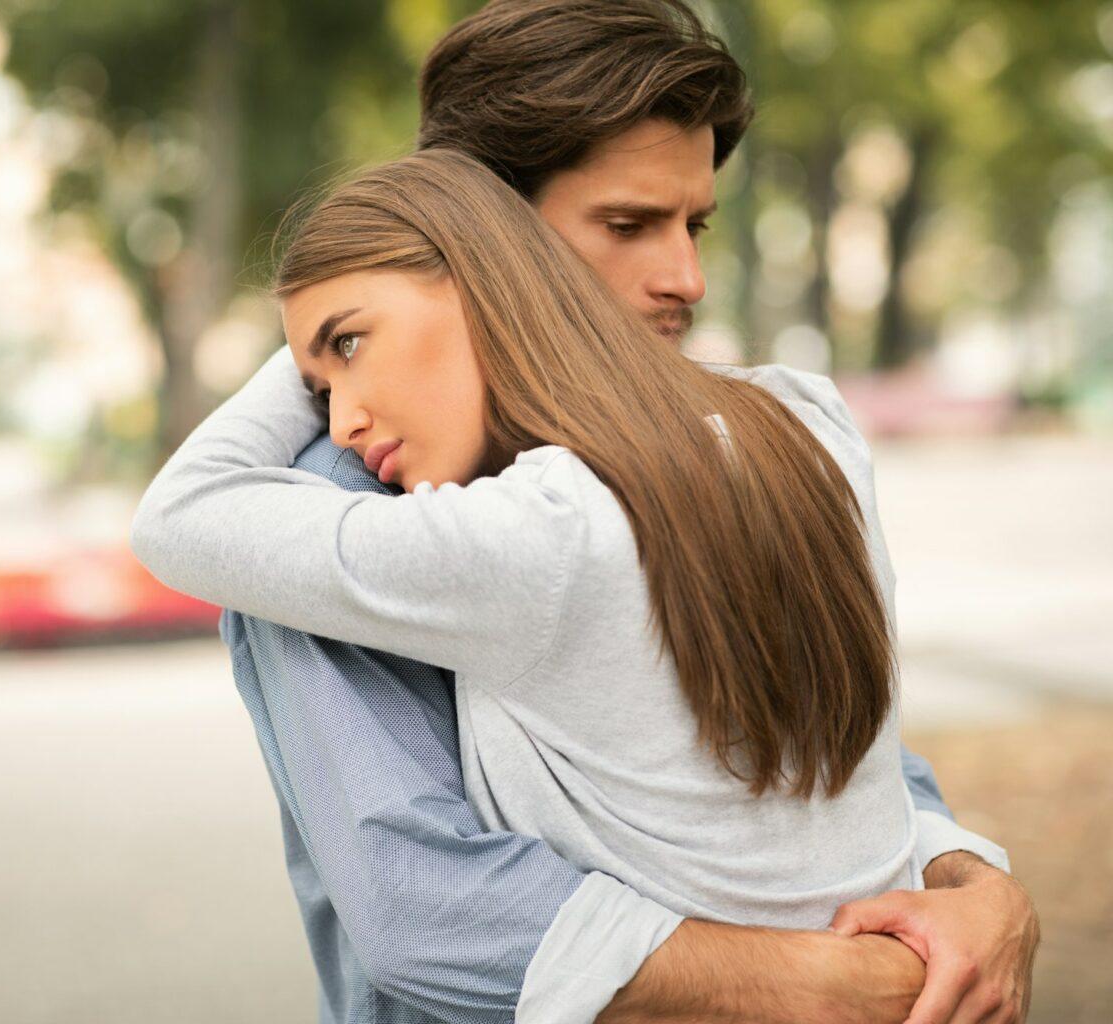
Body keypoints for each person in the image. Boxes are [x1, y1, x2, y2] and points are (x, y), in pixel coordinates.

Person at [151, 3, 1039, 1023]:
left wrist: (970, 882)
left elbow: (821, 747)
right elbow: (424, 907)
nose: (687, 280)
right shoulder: (335, 509)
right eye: (628, 226)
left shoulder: (744, 440)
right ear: (492, 239)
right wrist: (842, 981)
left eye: (695, 224)